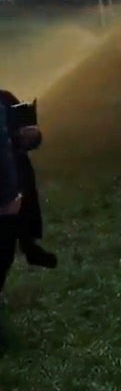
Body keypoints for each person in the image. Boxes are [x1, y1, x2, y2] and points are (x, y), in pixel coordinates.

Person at [0, 90, 57, 271]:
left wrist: (31, 135)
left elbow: (31, 136)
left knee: (22, 170)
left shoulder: (5, 99)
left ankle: (28, 243)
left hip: (10, 180)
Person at [0, 95, 21, 296]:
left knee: (4, 255)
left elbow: (27, 136)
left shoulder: (5, 100)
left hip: (6, 196)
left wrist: (33, 136)